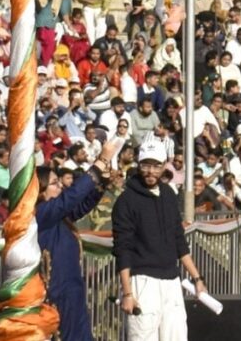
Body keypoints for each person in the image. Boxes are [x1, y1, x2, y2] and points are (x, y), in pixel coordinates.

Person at [113, 141, 207, 340]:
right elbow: (123, 248)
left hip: (172, 281)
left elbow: (179, 240)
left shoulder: (169, 195)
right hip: (143, 281)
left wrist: (197, 278)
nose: (150, 171)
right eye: (145, 165)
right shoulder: (126, 201)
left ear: (165, 165)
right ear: (138, 165)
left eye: (156, 165)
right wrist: (128, 293)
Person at [37, 139, 119, 341]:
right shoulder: (41, 214)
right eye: (55, 184)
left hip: (73, 291)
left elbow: (80, 206)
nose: (60, 188)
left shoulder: (58, 217)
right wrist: (100, 163)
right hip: (56, 294)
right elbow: (72, 198)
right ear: (40, 190)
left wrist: (102, 185)